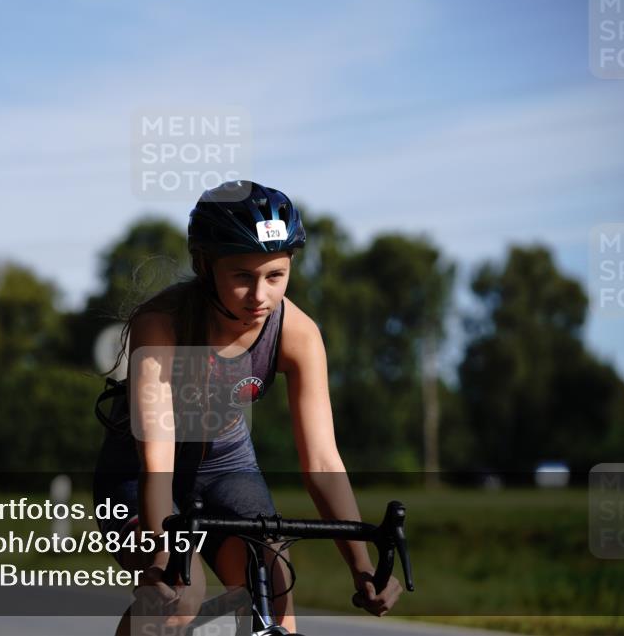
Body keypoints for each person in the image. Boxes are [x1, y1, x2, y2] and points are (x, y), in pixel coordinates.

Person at [93, 180, 403, 635]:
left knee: (276, 595)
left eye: (275, 276)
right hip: (140, 472)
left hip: (226, 464)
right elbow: (155, 465)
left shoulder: (297, 333)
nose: (260, 296)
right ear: (204, 265)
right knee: (180, 596)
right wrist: (163, 555)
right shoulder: (161, 325)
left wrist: (361, 565)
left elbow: (321, 461)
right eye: (242, 276)